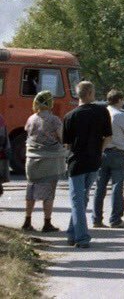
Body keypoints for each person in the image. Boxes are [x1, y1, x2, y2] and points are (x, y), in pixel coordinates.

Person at [62, 81, 112, 248]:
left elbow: (67, 145)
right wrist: (99, 151)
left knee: (77, 200)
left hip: (76, 163)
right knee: (82, 199)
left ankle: (82, 238)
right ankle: (71, 233)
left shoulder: (70, 116)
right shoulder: (102, 112)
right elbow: (108, 137)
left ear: (78, 95)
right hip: (94, 162)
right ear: (90, 93)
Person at [93, 90, 124, 229]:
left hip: (102, 152)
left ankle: (97, 218)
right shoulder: (121, 115)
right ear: (119, 100)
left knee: (100, 187)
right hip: (117, 153)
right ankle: (115, 219)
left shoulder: (101, 114)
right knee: (117, 186)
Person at [23, 91, 64, 232]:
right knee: (49, 192)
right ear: (50, 103)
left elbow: (28, 133)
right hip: (50, 160)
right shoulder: (54, 120)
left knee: (31, 189)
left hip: (31, 159)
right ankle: (47, 223)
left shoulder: (31, 119)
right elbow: (61, 137)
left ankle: (27, 221)